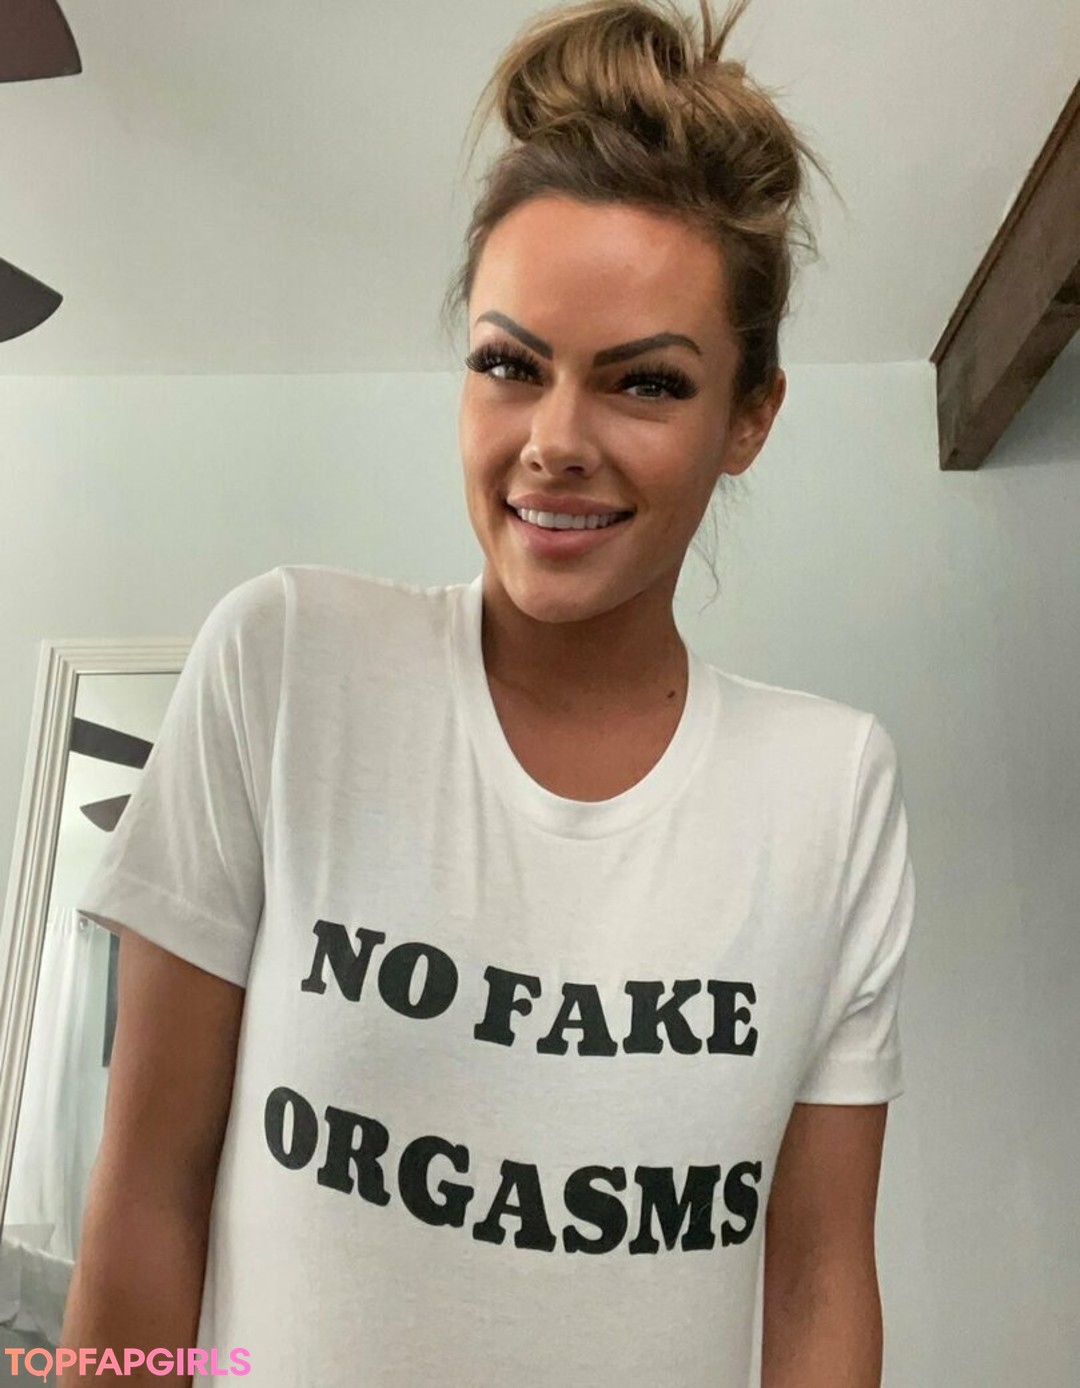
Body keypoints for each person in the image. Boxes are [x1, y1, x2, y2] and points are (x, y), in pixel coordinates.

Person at [62, 1, 916, 1384]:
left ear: (749, 418)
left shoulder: (831, 789)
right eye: (510, 365)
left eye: (647, 383)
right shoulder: (288, 664)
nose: (555, 442)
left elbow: (817, 1277)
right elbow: (150, 1189)